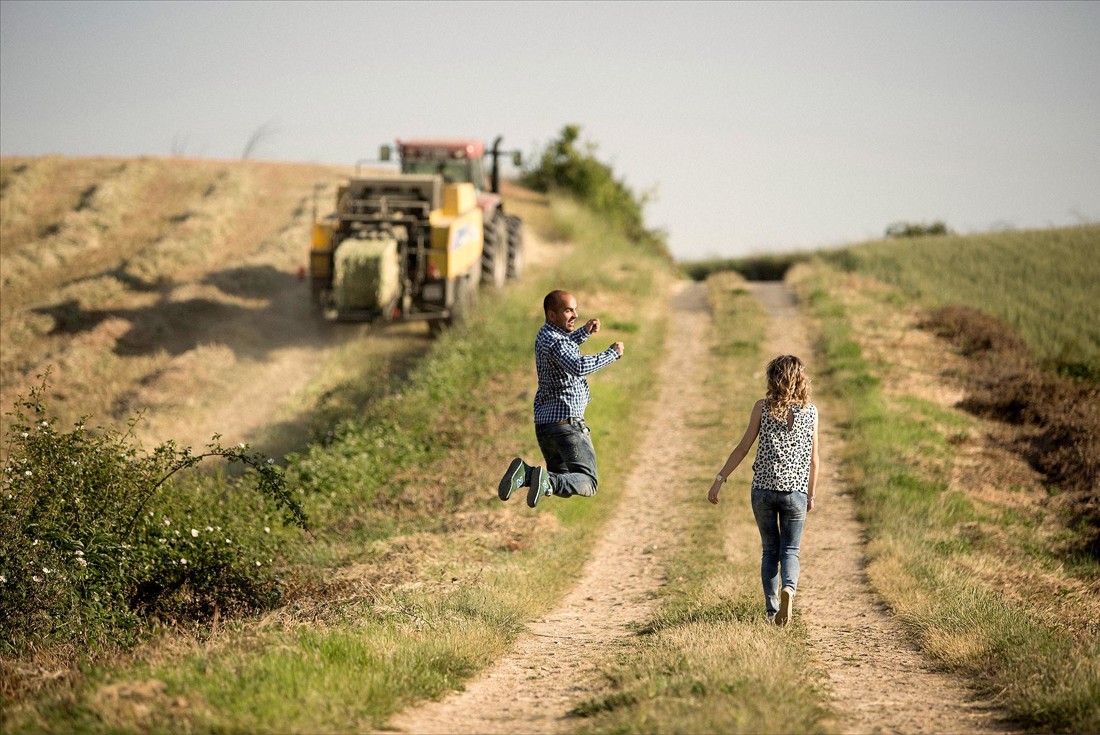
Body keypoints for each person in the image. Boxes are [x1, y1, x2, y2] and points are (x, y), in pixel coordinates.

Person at [707, 355, 819, 626]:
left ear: (773, 379)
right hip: (795, 491)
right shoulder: (812, 412)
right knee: (790, 550)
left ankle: (772, 612)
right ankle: (789, 589)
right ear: (801, 380)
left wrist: (720, 478)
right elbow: (815, 460)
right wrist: (811, 495)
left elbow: (743, 448)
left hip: (763, 490)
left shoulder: (762, 407)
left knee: (770, 550)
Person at [498, 290, 624, 508]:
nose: (575, 315)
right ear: (551, 314)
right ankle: (543, 479)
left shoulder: (545, 335)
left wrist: (584, 331)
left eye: (575, 309)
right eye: (568, 310)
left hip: (545, 427)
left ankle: (526, 474)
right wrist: (611, 353)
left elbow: (565, 344)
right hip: (567, 426)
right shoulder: (557, 342)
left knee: (563, 484)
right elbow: (578, 365)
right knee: (588, 482)